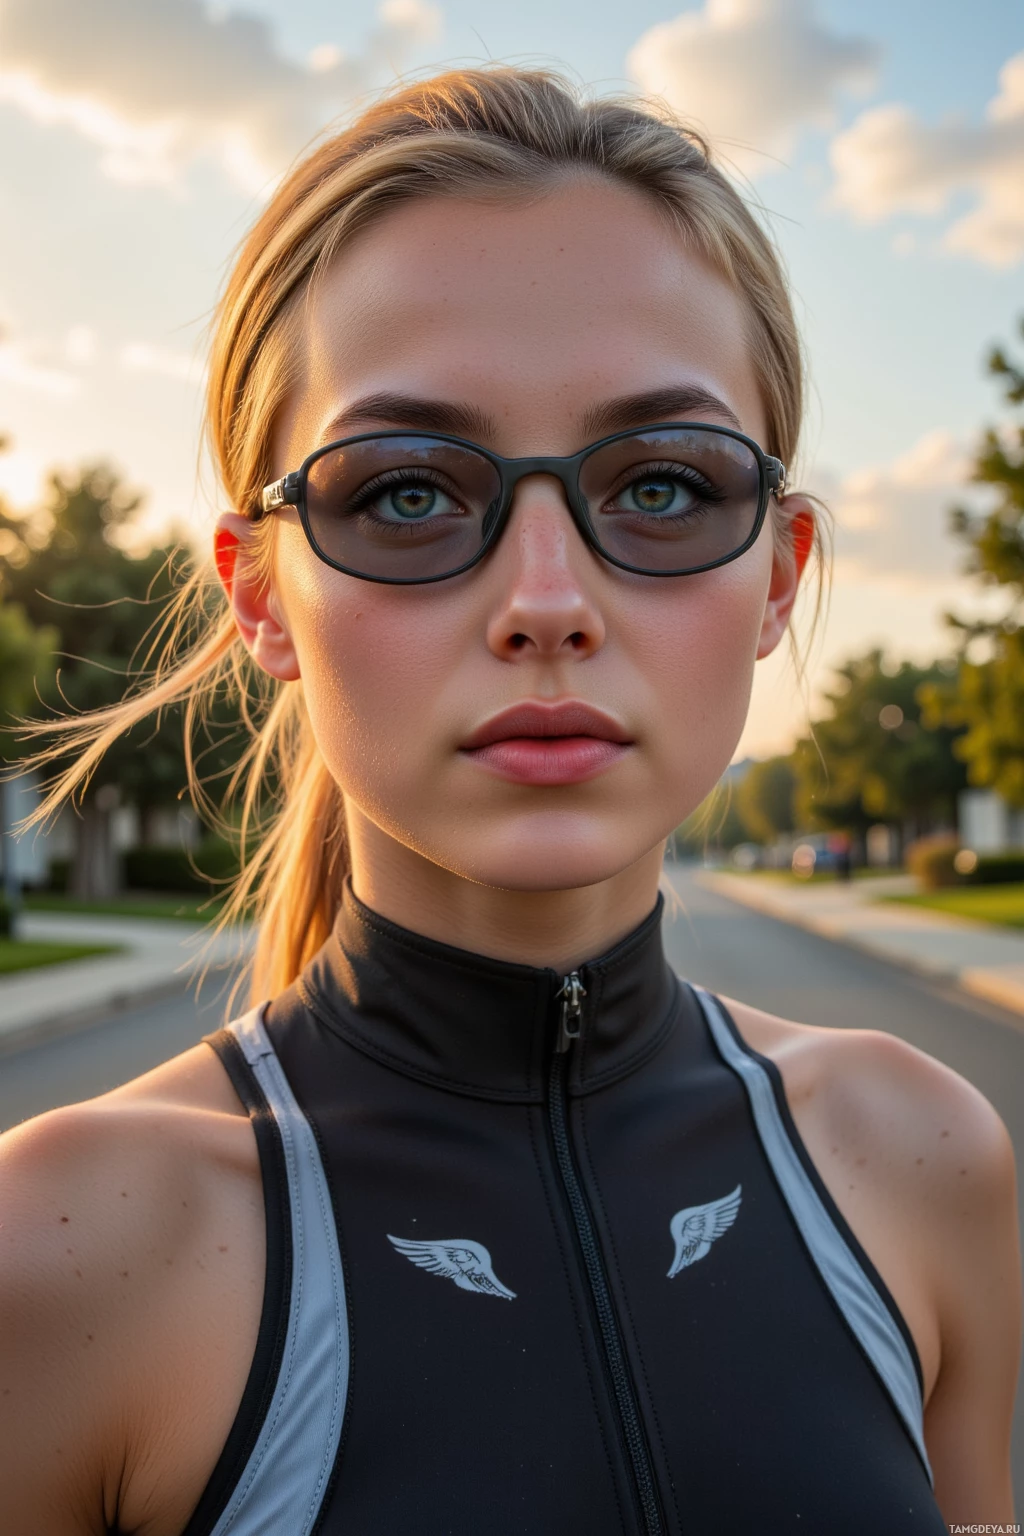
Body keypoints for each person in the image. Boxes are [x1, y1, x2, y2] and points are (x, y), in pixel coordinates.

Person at [1, 68, 1019, 1536]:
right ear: (261, 597)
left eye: (661, 486)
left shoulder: (922, 1155)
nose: (548, 602)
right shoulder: (65, 1252)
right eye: (407, 491)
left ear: (778, 577)